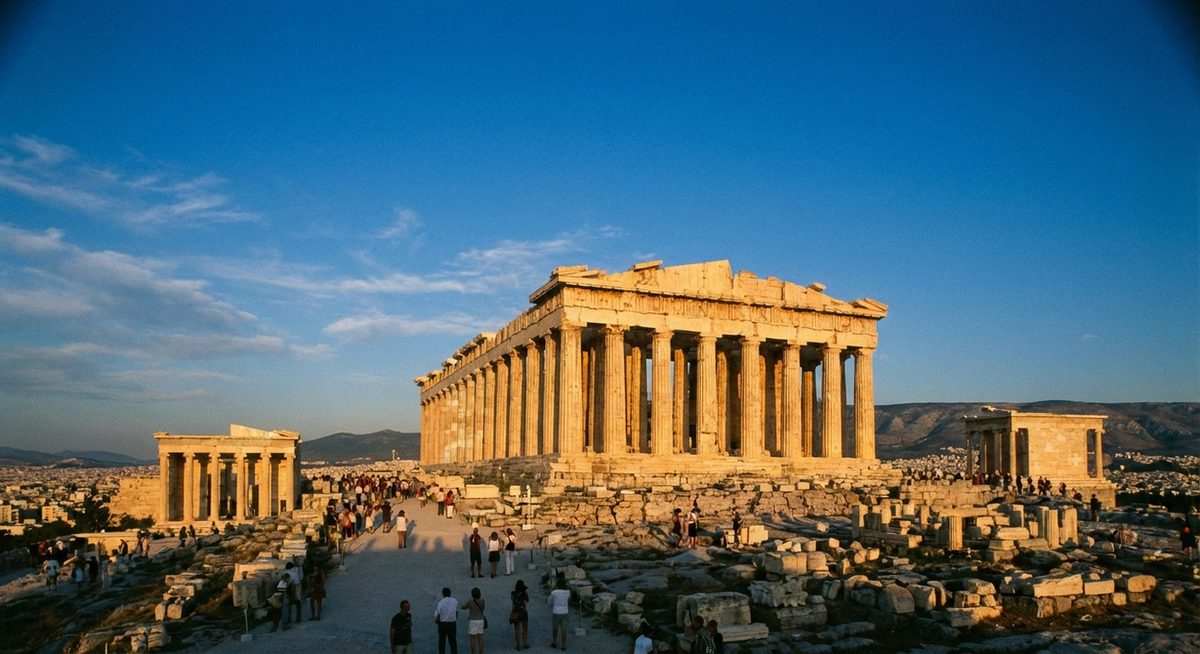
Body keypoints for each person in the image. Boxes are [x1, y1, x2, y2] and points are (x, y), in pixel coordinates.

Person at [435, 586, 459, 654]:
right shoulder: (454, 601)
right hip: (452, 624)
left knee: (442, 643)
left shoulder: (441, 602)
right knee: (453, 642)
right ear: (450, 593)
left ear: (443, 594)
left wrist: (437, 621)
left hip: (443, 625)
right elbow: (456, 613)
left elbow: (438, 614)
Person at [548, 577, 570, 651]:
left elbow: (549, 600)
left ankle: (554, 642)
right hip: (565, 612)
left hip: (556, 612)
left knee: (555, 629)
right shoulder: (568, 592)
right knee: (563, 630)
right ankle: (563, 645)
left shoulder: (554, 592)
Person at [463, 587, 486, 654]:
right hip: (481, 620)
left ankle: (473, 653)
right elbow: (483, 608)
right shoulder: (482, 601)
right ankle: (481, 652)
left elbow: (464, 607)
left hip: (473, 621)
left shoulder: (471, 602)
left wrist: (462, 607)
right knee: (480, 637)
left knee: (473, 639)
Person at [510, 579, 529, 650]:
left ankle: (518, 645)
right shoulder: (524, 594)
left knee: (517, 630)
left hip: (515, 612)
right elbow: (527, 600)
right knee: (525, 629)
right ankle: (525, 643)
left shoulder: (513, 593)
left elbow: (513, 601)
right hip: (523, 612)